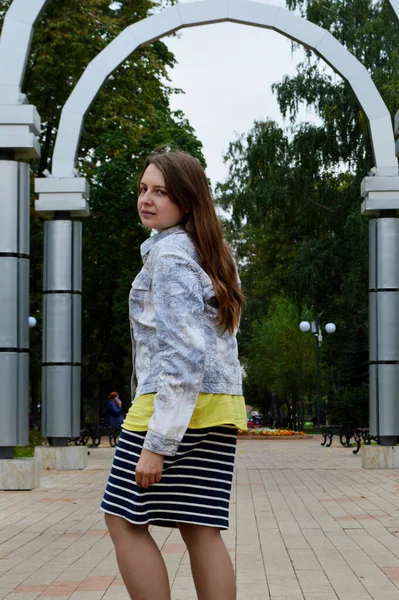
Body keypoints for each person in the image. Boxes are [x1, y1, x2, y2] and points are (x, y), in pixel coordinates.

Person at [101, 151, 247, 600]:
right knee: (200, 528)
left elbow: (183, 356)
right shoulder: (209, 252)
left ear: (187, 200)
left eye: (161, 192)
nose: (147, 199)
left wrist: (158, 445)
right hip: (217, 406)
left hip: (172, 408)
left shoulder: (170, 258)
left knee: (123, 517)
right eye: (144, 189)